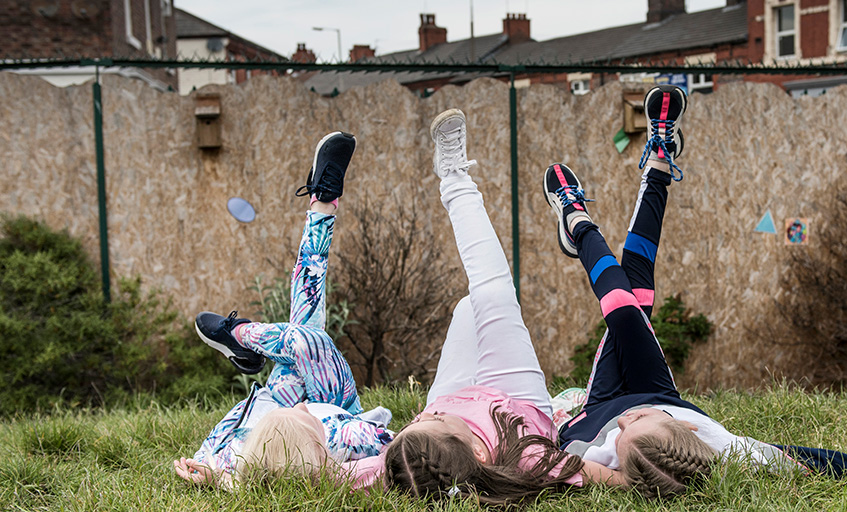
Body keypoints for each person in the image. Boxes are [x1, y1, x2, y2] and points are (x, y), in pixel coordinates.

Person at [542, 85, 847, 498]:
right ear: (687, 428)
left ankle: (590, 213)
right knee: (628, 304)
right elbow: (839, 464)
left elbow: (542, 464)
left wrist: (620, 479)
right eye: (638, 424)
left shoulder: (592, 448)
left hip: (596, 406)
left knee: (629, 301)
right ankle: (610, 198)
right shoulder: (731, 451)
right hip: (659, 390)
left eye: (622, 435)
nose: (624, 422)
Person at [373, 108, 620, 505]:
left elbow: (316, 466)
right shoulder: (527, 457)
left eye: (417, 422)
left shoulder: (402, 460)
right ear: (477, 453)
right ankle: (453, 176)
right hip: (516, 403)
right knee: (491, 295)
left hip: (452, 393)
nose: (425, 416)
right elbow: (596, 474)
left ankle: (455, 184)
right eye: (432, 422)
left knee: (467, 310)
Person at [172, 131, 393, 488]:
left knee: (304, 328)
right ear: (318, 449)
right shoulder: (342, 435)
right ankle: (242, 335)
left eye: (292, 413)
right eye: (304, 419)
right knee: (307, 339)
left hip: (275, 399)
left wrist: (209, 474)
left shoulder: (238, 456)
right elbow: (403, 452)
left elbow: (213, 455)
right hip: (335, 398)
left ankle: (323, 201)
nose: (302, 406)